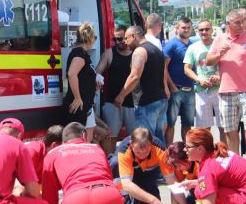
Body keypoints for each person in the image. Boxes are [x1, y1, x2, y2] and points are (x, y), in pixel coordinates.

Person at [206, 9, 246, 167]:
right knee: (230, 130)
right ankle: (236, 164)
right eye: (237, 23)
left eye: (243, 22)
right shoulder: (219, 39)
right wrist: (219, 54)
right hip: (226, 91)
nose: (242, 25)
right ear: (228, 24)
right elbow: (208, 61)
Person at [110, 127, 186, 204]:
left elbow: (172, 183)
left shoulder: (160, 150)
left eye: (145, 152)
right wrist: (153, 200)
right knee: (114, 164)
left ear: (151, 145)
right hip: (126, 177)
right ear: (131, 144)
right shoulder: (124, 150)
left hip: (147, 173)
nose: (141, 156)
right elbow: (127, 185)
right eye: (137, 152)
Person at [114, 25, 169, 143]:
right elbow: (164, 71)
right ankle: (161, 161)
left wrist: (121, 95)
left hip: (147, 102)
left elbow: (134, 76)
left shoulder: (139, 51)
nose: (125, 42)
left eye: (126, 38)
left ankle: (148, 162)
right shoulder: (156, 49)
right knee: (158, 140)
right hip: (160, 99)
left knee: (145, 140)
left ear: (133, 37)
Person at [184, 19, 225, 141]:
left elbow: (230, 67)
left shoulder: (220, 45)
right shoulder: (192, 48)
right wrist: (198, 79)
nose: (204, 32)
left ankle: (223, 154)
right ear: (197, 31)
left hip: (221, 91)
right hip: (202, 92)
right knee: (203, 129)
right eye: (201, 30)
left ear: (212, 30)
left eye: (207, 29)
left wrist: (220, 77)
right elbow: (187, 69)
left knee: (223, 127)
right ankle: (207, 156)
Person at [96, 24, 135, 152]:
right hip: (112, 102)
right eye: (115, 39)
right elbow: (97, 72)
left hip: (132, 103)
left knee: (135, 137)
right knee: (110, 136)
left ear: (128, 38)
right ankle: (111, 164)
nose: (118, 42)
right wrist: (97, 80)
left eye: (121, 39)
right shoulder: (109, 53)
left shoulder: (136, 54)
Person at [163, 17, 196, 145]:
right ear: (177, 28)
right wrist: (170, 87)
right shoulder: (171, 44)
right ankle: (169, 152)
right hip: (175, 90)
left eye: (188, 27)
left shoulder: (193, 45)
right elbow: (163, 67)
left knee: (188, 124)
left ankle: (187, 152)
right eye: (183, 27)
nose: (186, 30)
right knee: (171, 124)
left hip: (190, 90)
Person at [63, 22, 97, 135]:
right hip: (77, 106)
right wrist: (77, 98)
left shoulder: (81, 53)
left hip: (83, 105)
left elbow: (82, 78)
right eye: (95, 37)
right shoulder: (80, 53)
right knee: (76, 139)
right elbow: (72, 74)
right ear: (90, 38)